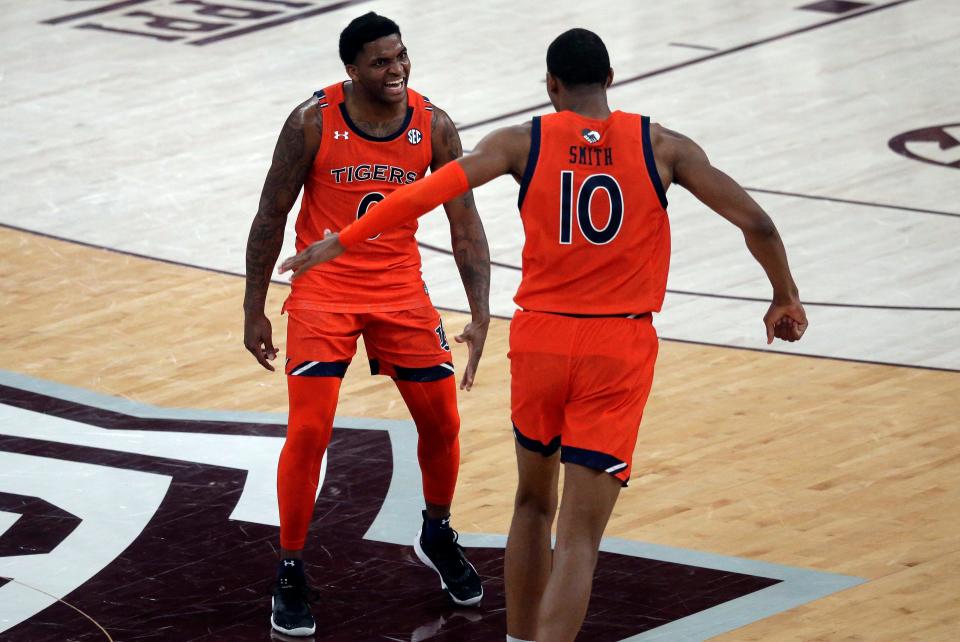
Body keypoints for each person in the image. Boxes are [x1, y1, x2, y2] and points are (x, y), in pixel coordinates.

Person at [280, 28, 809, 642]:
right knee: (580, 536)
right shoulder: (663, 146)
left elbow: (425, 193)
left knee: (532, 505)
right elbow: (759, 223)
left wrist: (339, 240)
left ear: (551, 85)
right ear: (609, 80)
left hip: (541, 342)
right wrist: (784, 295)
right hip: (618, 347)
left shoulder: (521, 142)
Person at [242, 12, 490, 638]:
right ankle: (291, 568)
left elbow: (465, 225)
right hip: (324, 289)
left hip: (399, 288)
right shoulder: (311, 121)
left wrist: (482, 310)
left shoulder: (434, 125)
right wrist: (253, 308)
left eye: (401, 56)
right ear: (351, 70)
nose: (397, 69)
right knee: (310, 431)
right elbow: (271, 214)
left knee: (443, 422)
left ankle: (436, 531)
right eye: (381, 62)